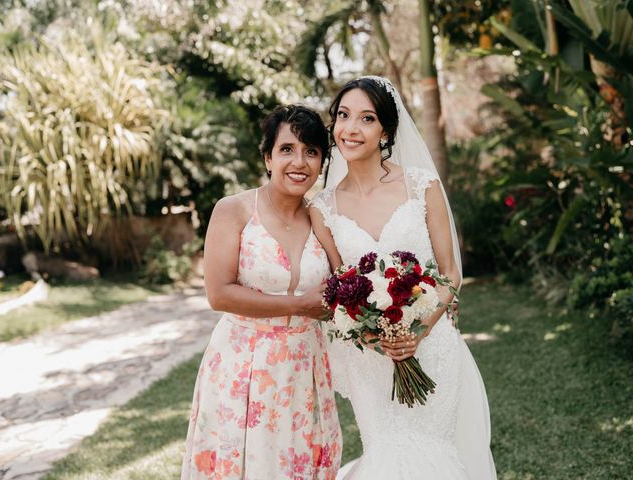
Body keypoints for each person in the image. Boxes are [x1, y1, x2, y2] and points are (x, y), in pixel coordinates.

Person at [310, 76, 496, 480]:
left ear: (386, 131)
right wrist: (366, 334)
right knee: (387, 454)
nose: (351, 129)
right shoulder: (322, 207)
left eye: (366, 118)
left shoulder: (420, 186)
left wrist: (419, 330)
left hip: (432, 347)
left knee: (433, 452)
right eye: (343, 116)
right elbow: (338, 290)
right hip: (370, 360)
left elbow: (450, 274)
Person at [181, 105, 342, 480]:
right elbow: (219, 294)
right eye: (287, 149)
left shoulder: (321, 216)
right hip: (242, 366)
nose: (299, 161)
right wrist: (300, 304)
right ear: (268, 157)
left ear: (322, 162)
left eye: (311, 151)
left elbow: (343, 280)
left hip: (305, 366)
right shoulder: (234, 210)